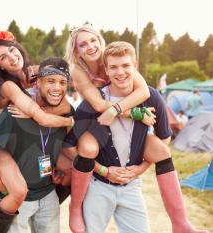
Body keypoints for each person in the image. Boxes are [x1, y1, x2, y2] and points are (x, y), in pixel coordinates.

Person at [64, 41, 208, 233]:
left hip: (131, 186)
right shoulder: (92, 104)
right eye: (113, 67)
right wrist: (104, 171)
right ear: (106, 70)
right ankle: (75, 208)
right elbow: (69, 147)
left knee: (160, 149)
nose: (120, 72)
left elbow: (164, 138)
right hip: (99, 185)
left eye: (125, 65)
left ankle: (181, 224)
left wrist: (141, 168)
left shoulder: (152, 97)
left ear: (136, 66)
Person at [0, 31, 74, 227]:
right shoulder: (7, 86)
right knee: (17, 191)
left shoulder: (36, 71)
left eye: (12, 50)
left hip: (35, 138)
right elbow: (40, 116)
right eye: (3, 57)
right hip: (6, 141)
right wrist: (67, 121)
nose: (11, 57)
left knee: (72, 168)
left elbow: (61, 103)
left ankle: (46, 197)